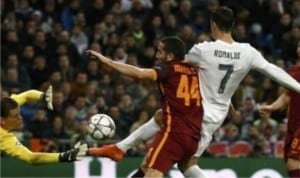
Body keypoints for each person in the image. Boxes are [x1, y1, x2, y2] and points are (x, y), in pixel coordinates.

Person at [87, 6, 300, 178]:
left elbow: (178, 65)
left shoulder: (203, 50)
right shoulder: (248, 52)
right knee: (167, 131)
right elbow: (273, 71)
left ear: (213, 24)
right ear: (233, 26)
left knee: (179, 162)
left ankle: (120, 148)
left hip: (195, 112)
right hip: (217, 114)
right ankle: (120, 148)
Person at [87, 36, 204, 178]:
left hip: (174, 134)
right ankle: (120, 148)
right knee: (151, 162)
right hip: (194, 136)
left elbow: (139, 74)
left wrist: (106, 60)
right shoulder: (195, 69)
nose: (156, 55)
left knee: (152, 173)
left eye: (160, 52)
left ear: (170, 56)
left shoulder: (168, 68)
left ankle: (120, 148)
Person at [0, 86, 88, 164]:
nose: (20, 118)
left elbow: (27, 95)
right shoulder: (2, 138)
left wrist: (43, 96)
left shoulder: (7, 106)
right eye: (15, 116)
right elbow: (31, 158)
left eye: (19, 113)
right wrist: (63, 156)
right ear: (2, 120)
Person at [259, 65, 300, 178]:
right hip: (292, 125)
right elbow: (287, 95)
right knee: (289, 164)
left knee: (293, 163)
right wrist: (271, 107)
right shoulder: (293, 70)